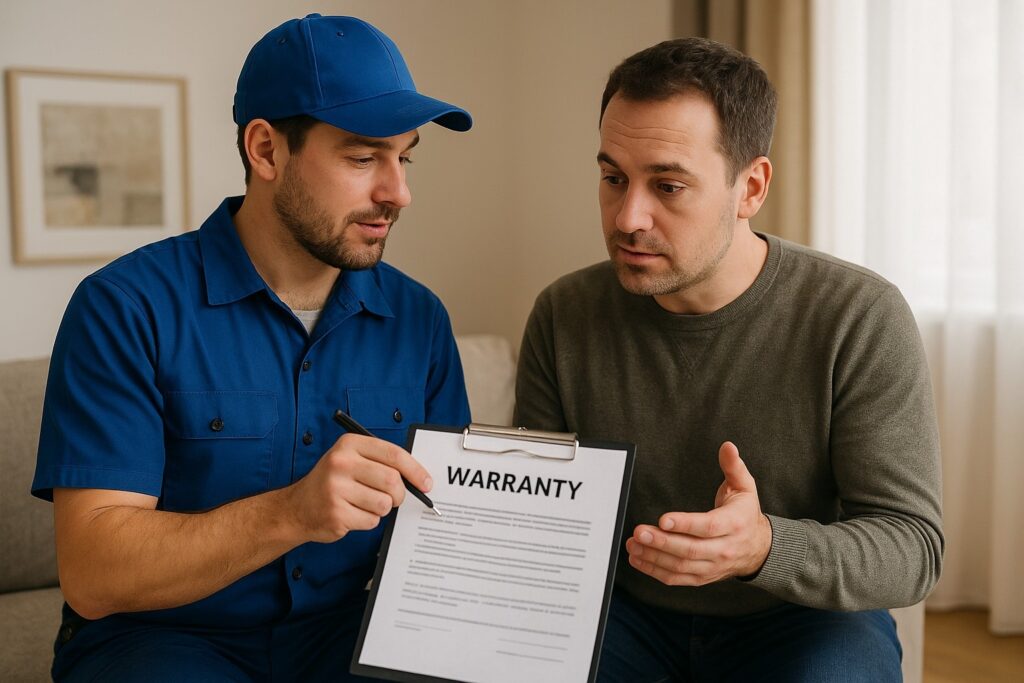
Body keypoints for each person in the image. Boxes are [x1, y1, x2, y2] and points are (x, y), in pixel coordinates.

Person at [32, 14, 472, 682]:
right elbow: (93, 572)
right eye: (362, 158)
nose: (398, 192)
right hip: (159, 644)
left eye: (404, 157)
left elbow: (449, 527)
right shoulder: (124, 307)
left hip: (346, 638)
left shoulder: (420, 319)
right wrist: (292, 512)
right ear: (265, 150)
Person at [515, 37, 942, 682]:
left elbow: (911, 548)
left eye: (668, 185)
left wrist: (763, 545)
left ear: (751, 188)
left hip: (802, 616)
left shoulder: (859, 314)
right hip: (621, 612)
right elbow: (541, 522)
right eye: (612, 178)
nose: (628, 217)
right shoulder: (563, 314)